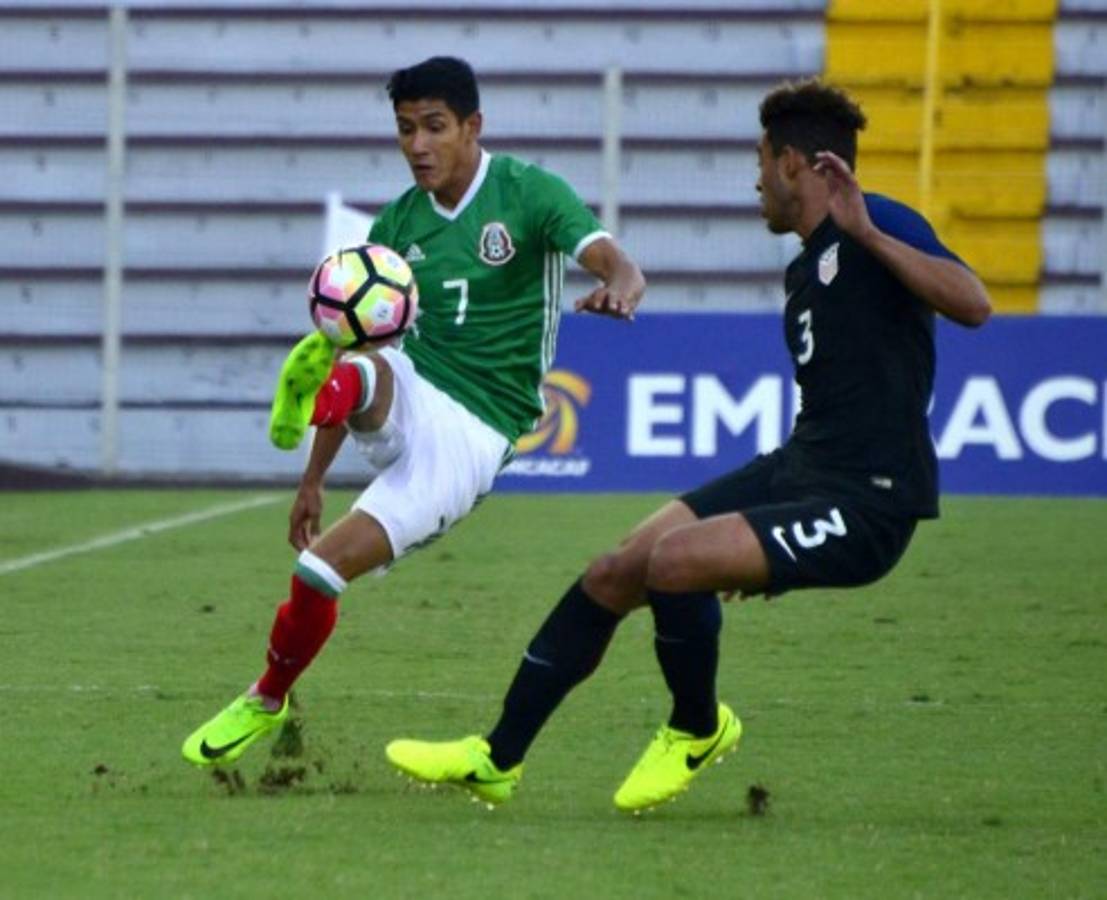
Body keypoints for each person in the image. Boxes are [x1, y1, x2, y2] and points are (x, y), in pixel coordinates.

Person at [384, 78, 992, 811]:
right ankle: (496, 756)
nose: (755, 179)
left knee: (677, 562)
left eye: (762, 160)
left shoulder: (878, 224)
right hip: (802, 468)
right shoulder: (806, 263)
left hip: (869, 500)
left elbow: (973, 304)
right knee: (616, 569)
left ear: (795, 164)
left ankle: (696, 727)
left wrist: (865, 232)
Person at [181, 56, 645, 767]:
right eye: (405, 129)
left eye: (433, 127)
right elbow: (367, 341)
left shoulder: (528, 193)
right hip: (411, 381)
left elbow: (616, 261)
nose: (418, 145)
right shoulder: (397, 224)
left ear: (472, 127)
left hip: (475, 429)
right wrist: (311, 481)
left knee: (318, 575)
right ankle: (265, 699)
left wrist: (619, 284)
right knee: (361, 360)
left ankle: (271, 694)